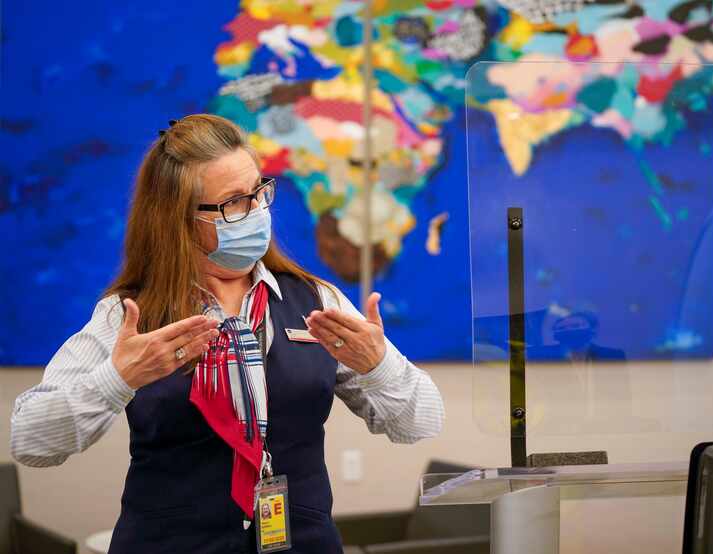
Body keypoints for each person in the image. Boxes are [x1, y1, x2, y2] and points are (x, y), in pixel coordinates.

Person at [10, 114, 445, 553]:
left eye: (259, 191)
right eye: (234, 202)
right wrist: (116, 381)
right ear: (177, 218)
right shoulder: (128, 315)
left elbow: (420, 423)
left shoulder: (318, 299)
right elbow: (30, 442)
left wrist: (378, 365)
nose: (256, 211)